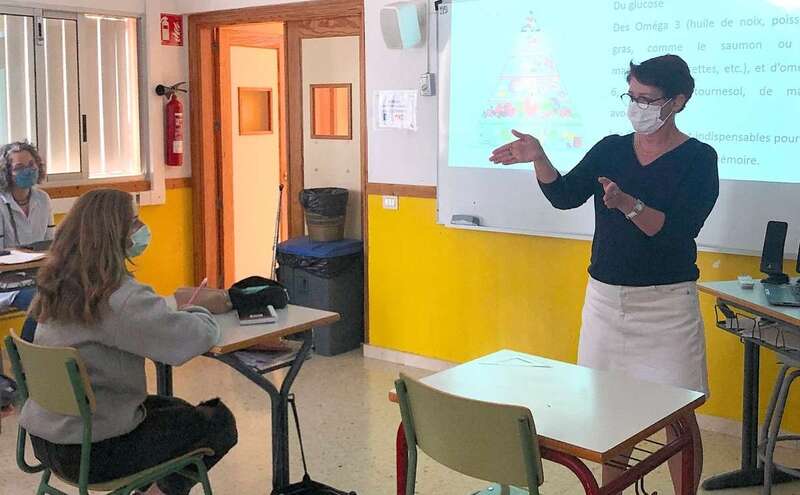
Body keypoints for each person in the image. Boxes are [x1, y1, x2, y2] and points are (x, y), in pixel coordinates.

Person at [490, 54, 719, 494]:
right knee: (611, 417)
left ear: (679, 101)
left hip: (666, 306)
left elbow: (677, 234)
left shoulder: (699, 158)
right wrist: (539, 157)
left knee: (678, 419)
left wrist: (629, 206)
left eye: (648, 99)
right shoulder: (611, 148)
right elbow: (564, 195)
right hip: (605, 303)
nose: (638, 107)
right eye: (632, 96)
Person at [18, 189, 237, 495]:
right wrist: (197, 309)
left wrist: (169, 311)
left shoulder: (54, 286)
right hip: (95, 452)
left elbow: (139, 325)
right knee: (217, 421)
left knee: (173, 408)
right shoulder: (119, 296)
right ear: (115, 233)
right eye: (134, 222)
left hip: (47, 441)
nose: (140, 230)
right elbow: (191, 339)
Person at [0, 141, 54, 340]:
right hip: (6, 282)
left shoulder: (43, 199)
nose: (28, 170)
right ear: (6, 173)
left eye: (31, 164)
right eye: (19, 167)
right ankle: (26, 356)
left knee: (73, 293)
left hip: (36, 276)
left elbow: (50, 244)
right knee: (43, 302)